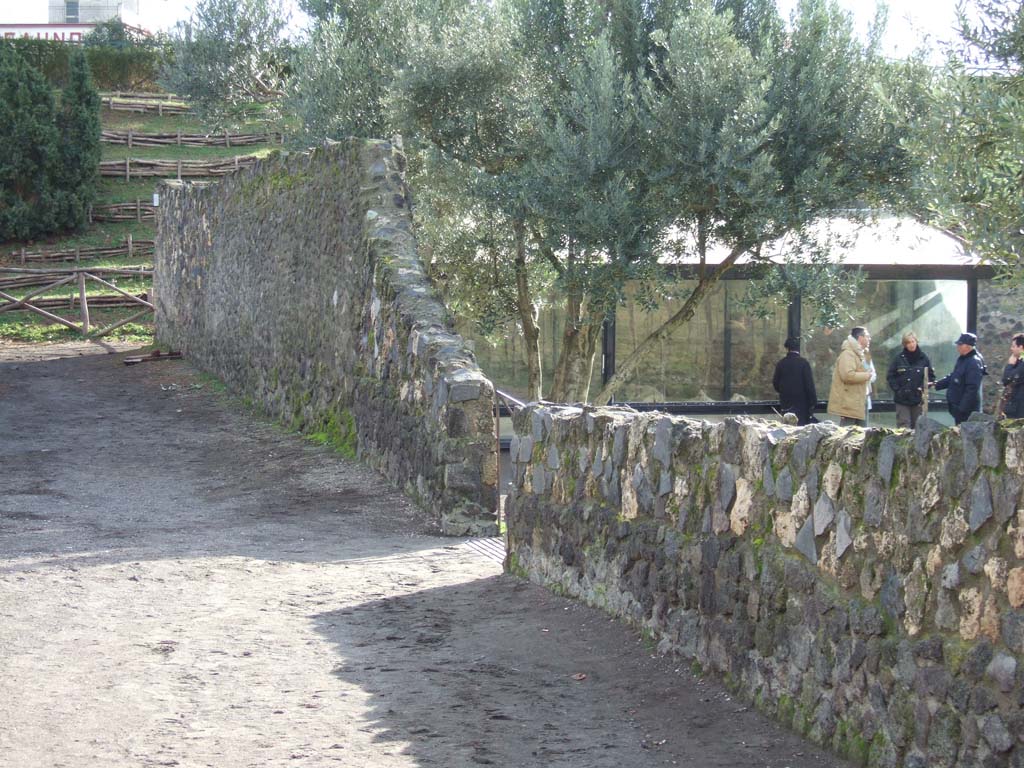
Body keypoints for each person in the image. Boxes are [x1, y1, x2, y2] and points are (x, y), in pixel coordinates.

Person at [934, 332, 988, 425]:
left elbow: (972, 388)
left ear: (967, 346)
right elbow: (955, 376)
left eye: (960, 344)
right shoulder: (964, 359)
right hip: (959, 408)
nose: (957, 347)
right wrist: (937, 384)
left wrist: (962, 409)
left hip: (967, 411)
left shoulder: (973, 362)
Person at [886, 331, 935, 428]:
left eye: (913, 341)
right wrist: (898, 390)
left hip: (918, 400)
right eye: (908, 343)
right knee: (904, 427)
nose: (911, 345)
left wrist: (923, 388)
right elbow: (890, 376)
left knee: (918, 427)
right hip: (902, 400)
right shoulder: (898, 359)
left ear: (916, 342)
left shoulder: (924, 358)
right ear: (905, 345)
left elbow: (931, 377)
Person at [827, 327, 874, 426]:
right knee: (847, 436)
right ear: (860, 338)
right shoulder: (848, 354)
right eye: (867, 336)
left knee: (862, 435)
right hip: (850, 403)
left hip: (860, 400)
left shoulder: (862, 354)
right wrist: (867, 375)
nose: (870, 339)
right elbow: (848, 375)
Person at [772, 337, 817, 425]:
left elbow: (775, 383)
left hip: (786, 401)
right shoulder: (804, 363)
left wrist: (783, 391)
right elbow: (809, 385)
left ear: (787, 348)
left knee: (787, 427)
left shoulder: (781, 363)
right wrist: (813, 402)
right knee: (801, 428)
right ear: (798, 348)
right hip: (802, 402)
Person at [999, 333, 1024, 419]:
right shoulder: (1019, 361)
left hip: (1020, 408)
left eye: (1013, 346)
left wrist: (1010, 365)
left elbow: (1007, 379)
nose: (1011, 349)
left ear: (1021, 347)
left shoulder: (1022, 363)